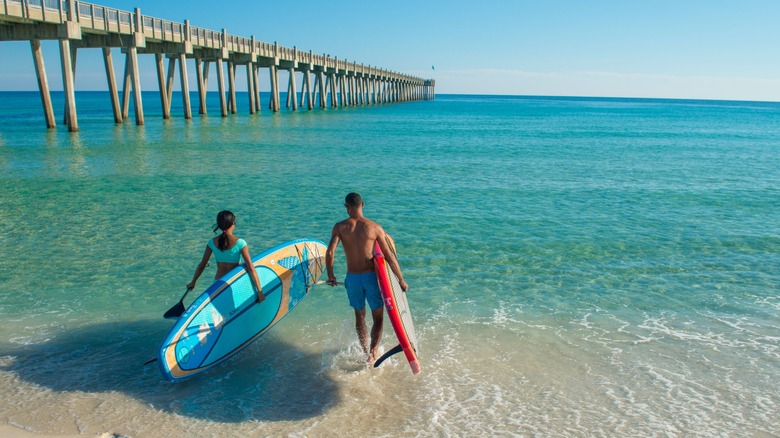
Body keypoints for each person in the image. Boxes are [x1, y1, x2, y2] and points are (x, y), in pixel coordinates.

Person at [326, 193, 408, 365]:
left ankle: (364, 350)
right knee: (378, 317)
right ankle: (373, 353)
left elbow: (330, 252)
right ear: (363, 204)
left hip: (353, 278)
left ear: (346, 206)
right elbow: (389, 256)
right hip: (371, 278)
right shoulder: (375, 227)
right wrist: (400, 280)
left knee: (359, 315)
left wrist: (331, 275)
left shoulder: (340, 227)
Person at [187, 210, 265, 303]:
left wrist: (193, 282)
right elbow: (251, 268)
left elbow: (202, 265)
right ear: (232, 223)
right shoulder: (240, 243)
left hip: (218, 284)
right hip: (234, 282)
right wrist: (260, 292)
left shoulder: (211, 243)